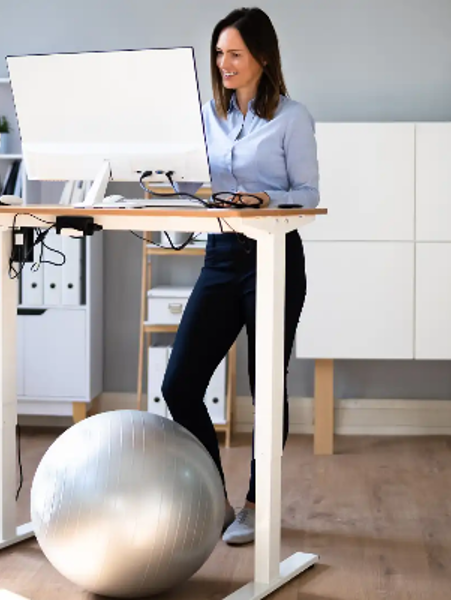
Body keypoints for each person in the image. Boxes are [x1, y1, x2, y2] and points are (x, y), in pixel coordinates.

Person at [160, 6, 319, 547]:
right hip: (221, 257)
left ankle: (257, 504)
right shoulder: (210, 114)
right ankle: (215, 497)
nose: (224, 63)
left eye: (235, 54)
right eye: (220, 54)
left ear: (263, 58)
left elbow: (309, 193)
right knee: (178, 384)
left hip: (273, 256)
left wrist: (264, 198)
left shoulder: (291, 118)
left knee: (265, 388)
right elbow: (192, 178)